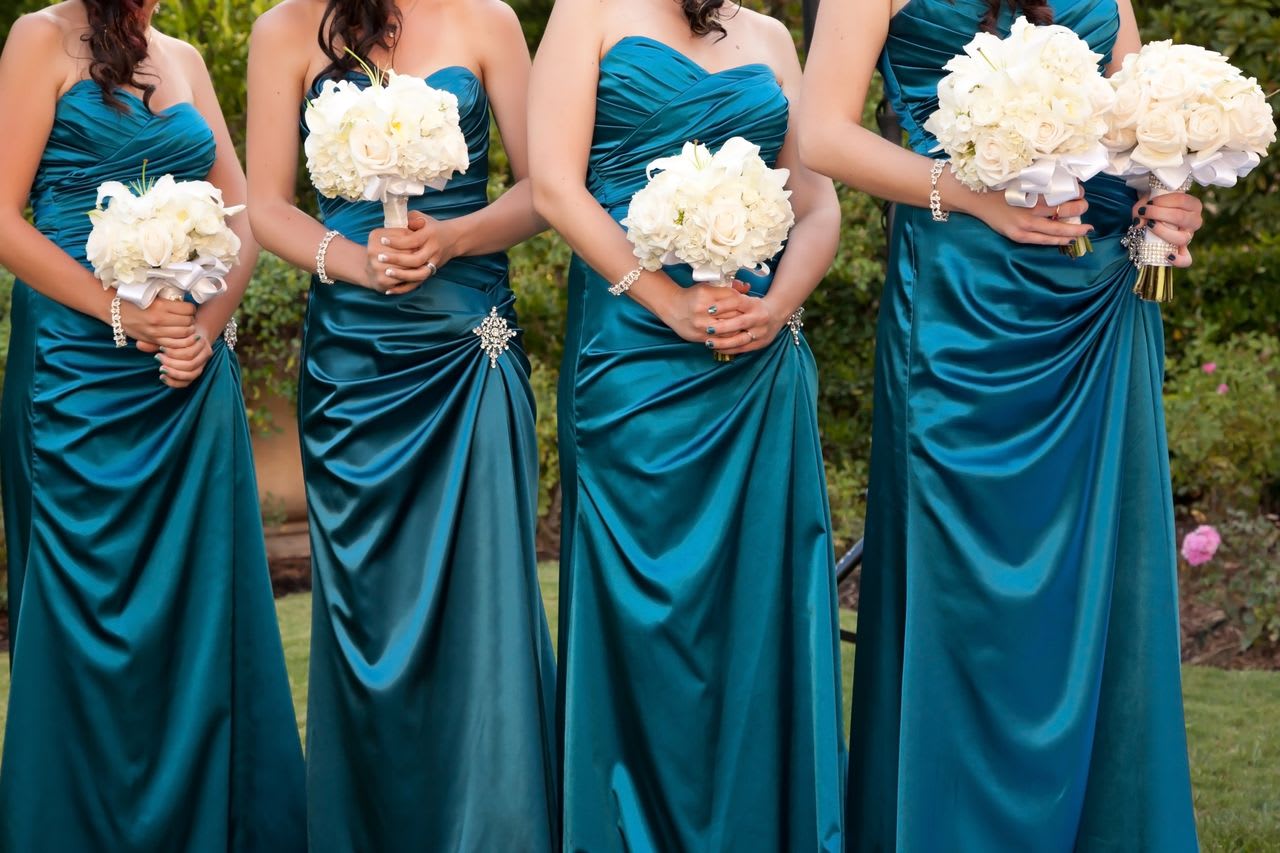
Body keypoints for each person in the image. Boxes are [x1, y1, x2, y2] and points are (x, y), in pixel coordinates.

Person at [800, 0, 1204, 847]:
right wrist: (970, 197)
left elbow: (1134, 123)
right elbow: (821, 134)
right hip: (964, 308)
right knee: (964, 598)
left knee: (1102, 587)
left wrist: (1167, 197)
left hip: (1100, 305)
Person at [528, 0, 846, 848]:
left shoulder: (770, 37)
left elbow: (817, 206)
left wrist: (777, 307)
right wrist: (664, 300)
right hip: (632, 363)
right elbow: (555, 185)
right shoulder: (589, 12)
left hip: (756, 365)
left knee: (758, 620)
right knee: (646, 619)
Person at [246, 0, 558, 848]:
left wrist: (450, 240)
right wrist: (355, 262)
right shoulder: (283, 31)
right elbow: (266, 205)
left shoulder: (489, 19)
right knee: (368, 615)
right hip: (352, 369)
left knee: (486, 608)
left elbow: (544, 188)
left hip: (470, 347)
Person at [0, 1, 306, 849]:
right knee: (83, 615)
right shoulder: (38, 39)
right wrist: (119, 313)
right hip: (76, 381)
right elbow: (2, 219)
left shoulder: (185, 58)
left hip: (185, 381)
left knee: (198, 616)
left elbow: (243, 217)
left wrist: (205, 331)